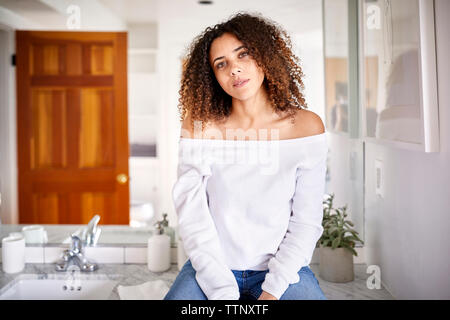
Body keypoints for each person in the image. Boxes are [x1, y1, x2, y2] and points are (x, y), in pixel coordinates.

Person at [164, 12, 328, 300]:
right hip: (212, 269)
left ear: (265, 56)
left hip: (285, 272)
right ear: (212, 77)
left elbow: (306, 221)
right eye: (221, 64)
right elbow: (192, 217)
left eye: (244, 55)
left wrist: (272, 290)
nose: (235, 70)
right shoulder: (200, 127)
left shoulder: (306, 127)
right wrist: (221, 290)